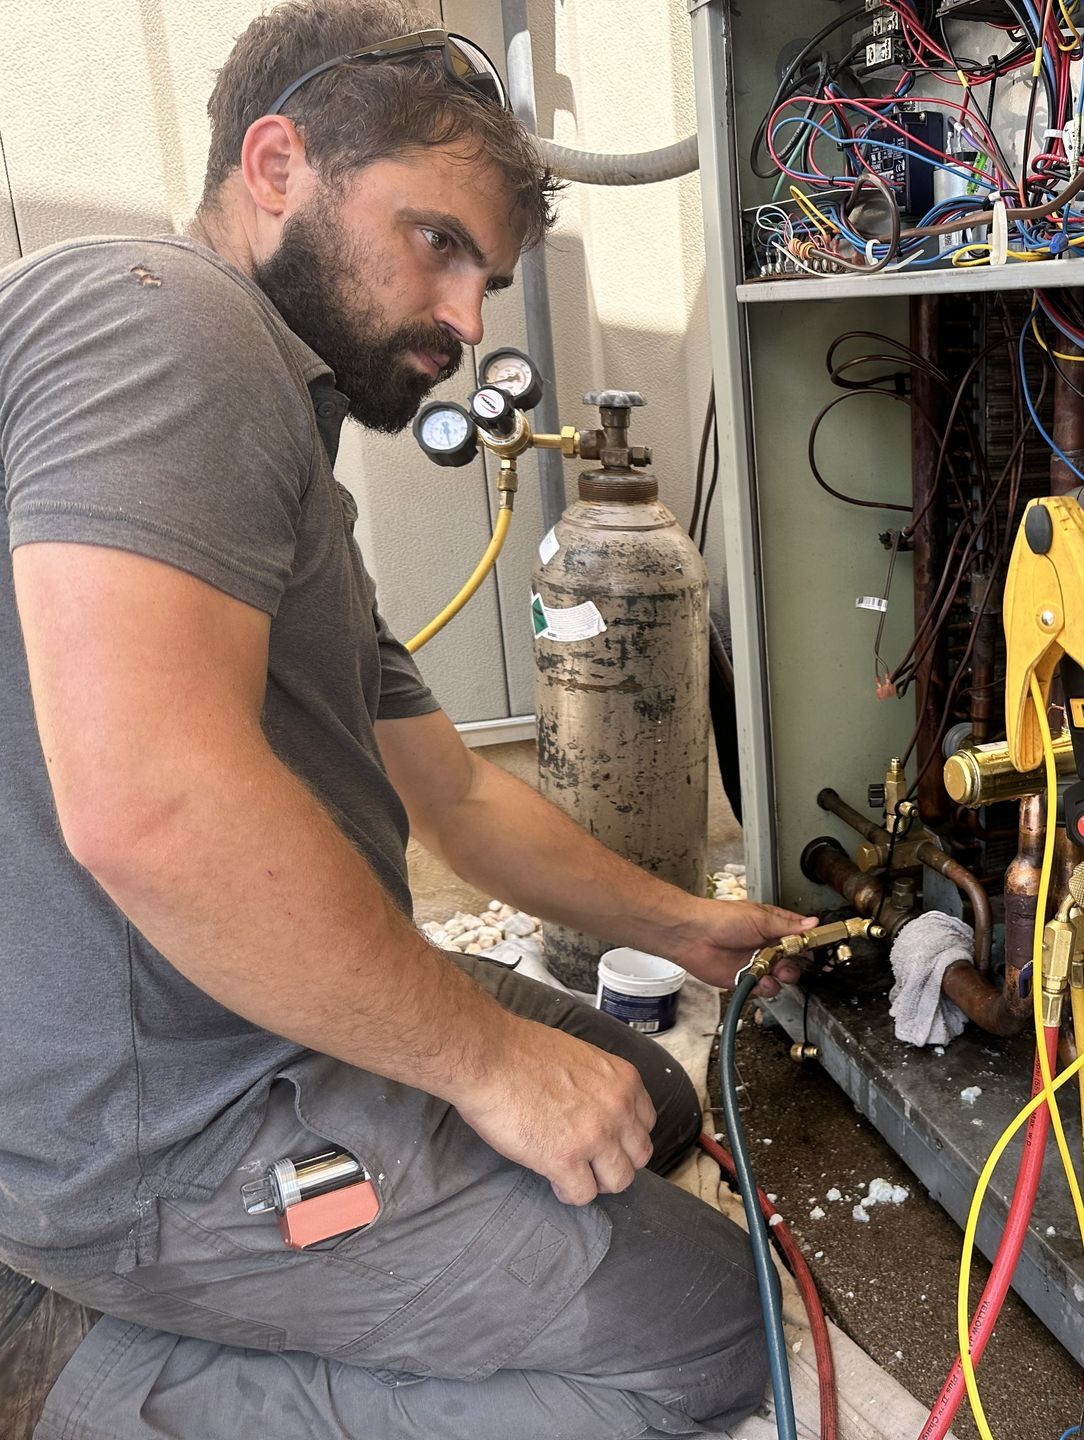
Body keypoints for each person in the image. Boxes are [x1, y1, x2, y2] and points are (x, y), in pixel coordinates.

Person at [0, 2, 810, 1434]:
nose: (465, 319)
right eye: (437, 242)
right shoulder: (163, 321)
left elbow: (454, 796)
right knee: (719, 1331)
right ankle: (95, 1375)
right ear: (275, 165)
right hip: (159, 1135)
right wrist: (489, 1068)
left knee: (647, 1102)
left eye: (488, 278)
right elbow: (148, 805)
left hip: (256, 1011)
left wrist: (679, 930)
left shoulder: (279, 452)